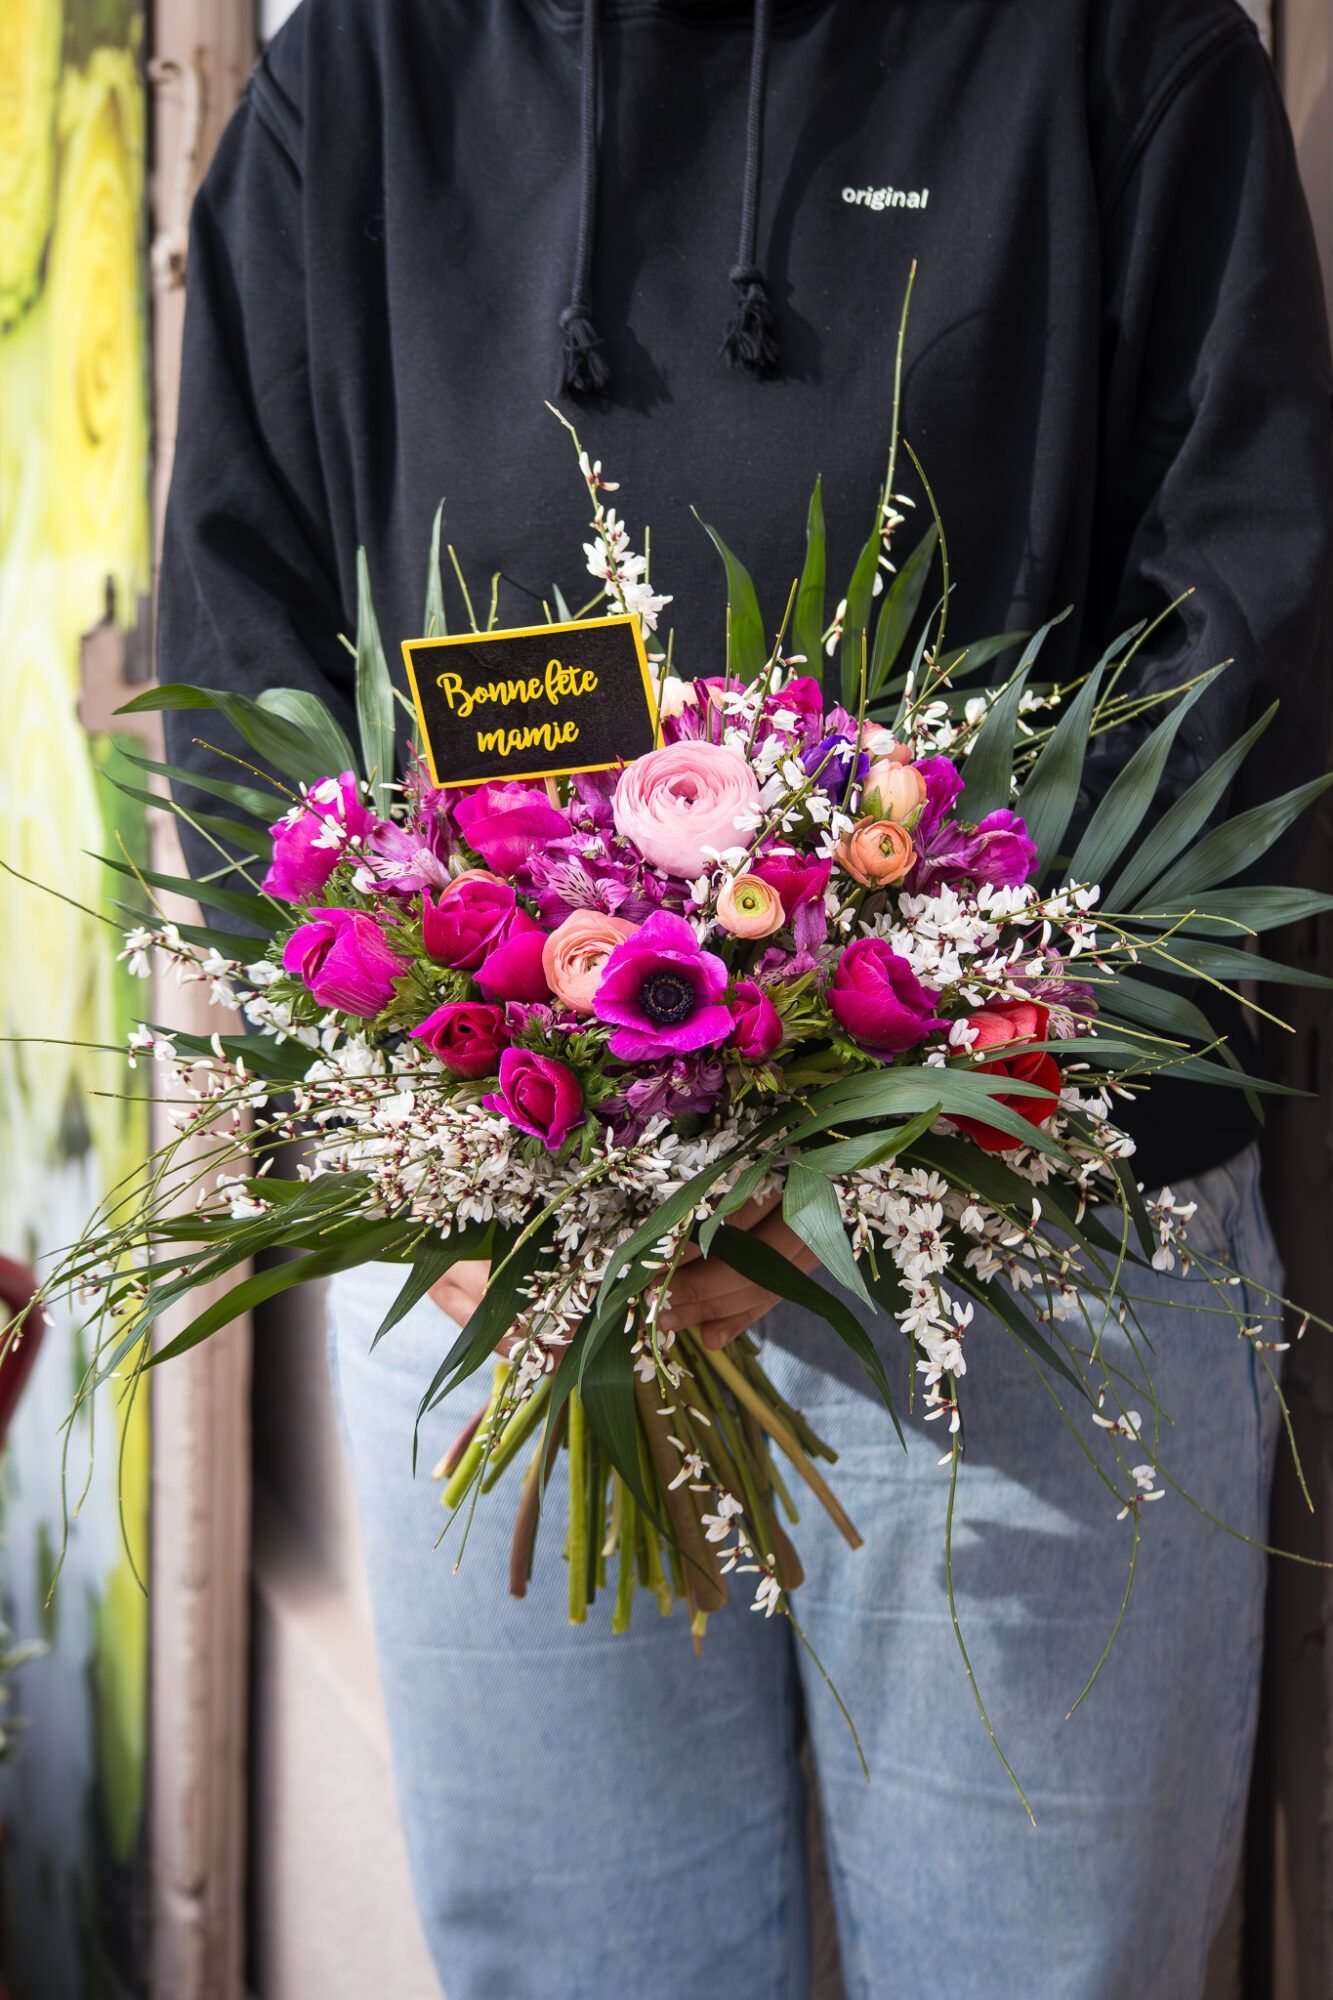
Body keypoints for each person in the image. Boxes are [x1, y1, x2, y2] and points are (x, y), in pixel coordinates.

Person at [159, 1, 1332, 1993]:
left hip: (1026, 1274)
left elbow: (1247, 638)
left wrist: (875, 1132)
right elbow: (242, 644)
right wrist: (443, 1158)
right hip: (505, 1261)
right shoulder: (354, 77)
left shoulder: (1119, 54)